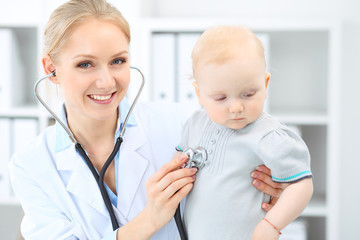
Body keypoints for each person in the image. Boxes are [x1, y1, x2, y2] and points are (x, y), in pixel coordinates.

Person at [8, 1, 285, 239]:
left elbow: (244, 175)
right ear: (51, 69)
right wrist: (149, 220)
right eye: (85, 64)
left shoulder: (182, 125)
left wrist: (268, 185)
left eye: (117, 61)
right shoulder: (31, 165)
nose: (106, 82)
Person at [177, 26, 314, 240]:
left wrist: (271, 225)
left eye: (248, 94)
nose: (236, 108)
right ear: (199, 94)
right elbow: (178, 164)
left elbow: (301, 185)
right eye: (221, 98)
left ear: (265, 84)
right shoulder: (194, 124)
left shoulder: (270, 136)